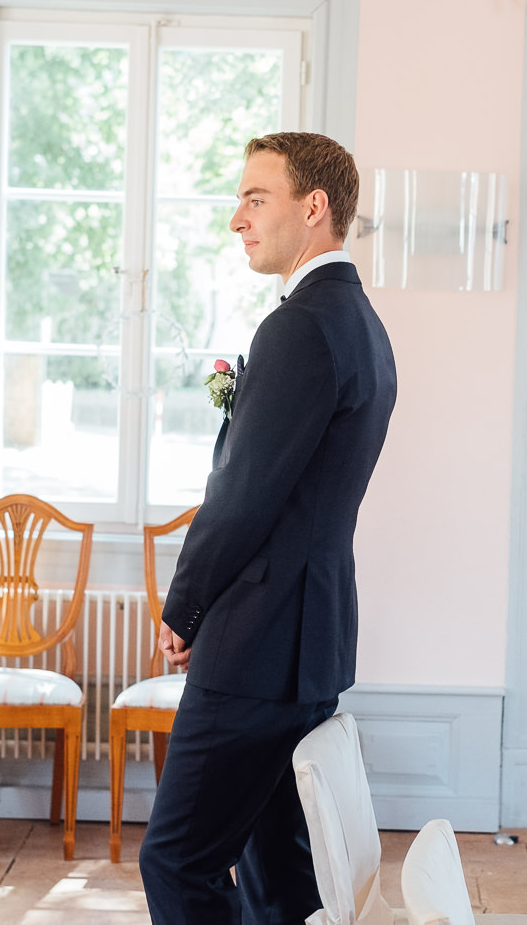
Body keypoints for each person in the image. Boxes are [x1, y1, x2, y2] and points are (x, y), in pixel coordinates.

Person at [138, 132, 397, 925]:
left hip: (255, 644)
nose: (235, 219)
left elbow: (241, 496)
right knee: (278, 864)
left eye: (256, 198)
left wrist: (182, 608)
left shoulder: (299, 326)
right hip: (309, 641)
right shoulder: (361, 324)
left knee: (176, 860)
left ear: (313, 208)